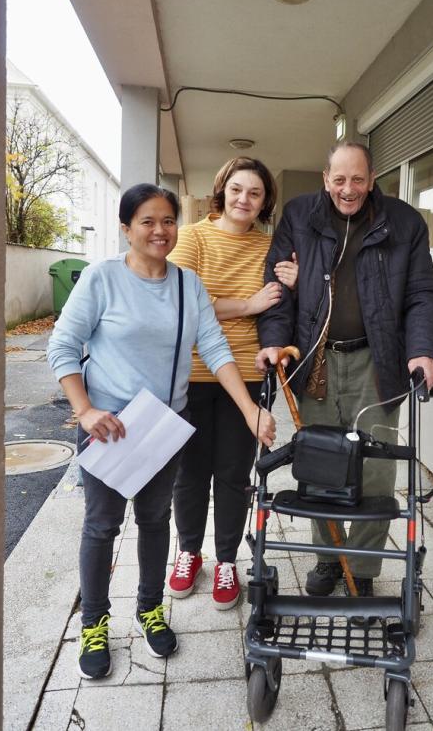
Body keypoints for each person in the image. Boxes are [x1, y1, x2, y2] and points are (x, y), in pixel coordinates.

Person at [47, 183, 275, 680]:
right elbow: (63, 346)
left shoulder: (187, 285)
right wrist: (84, 411)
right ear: (126, 229)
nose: (159, 230)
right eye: (147, 221)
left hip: (161, 427)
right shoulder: (101, 279)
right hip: (109, 426)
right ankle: (93, 624)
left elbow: (216, 351)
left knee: (155, 522)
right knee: (102, 526)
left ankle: (149, 609)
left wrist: (251, 411)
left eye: (167, 220)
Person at [256, 142, 433, 600]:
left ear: (372, 177)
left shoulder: (403, 222)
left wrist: (424, 350)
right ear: (325, 178)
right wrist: (274, 343)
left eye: (357, 179)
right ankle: (328, 559)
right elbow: (276, 290)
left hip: (377, 362)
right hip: (315, 360)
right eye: (339, 180)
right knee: (321, 465)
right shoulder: (300, 217)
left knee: (376, 471)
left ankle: (361, 566)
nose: (348, 190)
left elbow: (422, 293)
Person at [167, 157, 297, 609]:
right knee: (189, 471)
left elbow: (281, 305)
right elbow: (181, 301)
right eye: (237, 189)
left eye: (255, 193)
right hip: (193, 372)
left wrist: (293, 284)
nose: (244, 199)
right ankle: (187, 553)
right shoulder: (193, 237)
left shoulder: (270, 246)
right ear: (222, 191)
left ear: (265, 202)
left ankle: (225, 561)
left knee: (233, 472)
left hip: (249, 373)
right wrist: (247, 305)